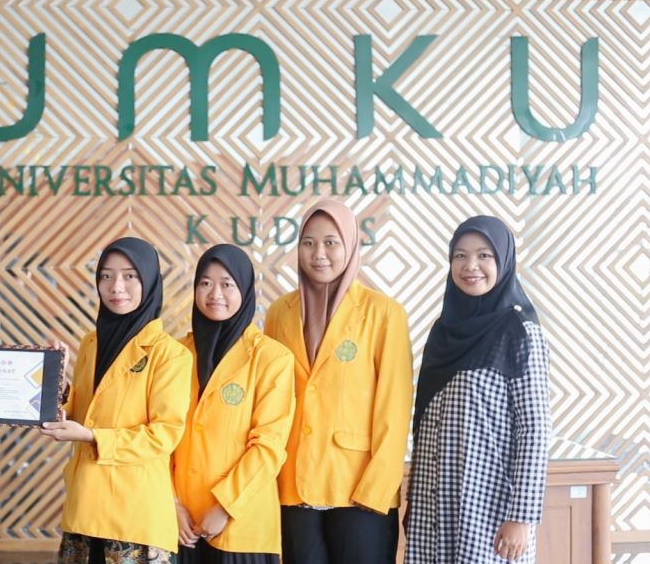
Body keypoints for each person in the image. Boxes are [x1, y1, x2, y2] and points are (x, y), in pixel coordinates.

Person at [264, 199, 413, 564]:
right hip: (293, 488)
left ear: (350, 245)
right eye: (309, 242)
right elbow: (270, 398)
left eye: (331, 242)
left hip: (358, 490)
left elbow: (394, 407)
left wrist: (377, 489)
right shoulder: (280, 313)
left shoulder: (383, 313)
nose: (319, 253)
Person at [404, 216, 551, 564]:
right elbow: (425, 423)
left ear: (503, 260)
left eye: (484, 255)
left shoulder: (519, 331)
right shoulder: (442, 331)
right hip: (433, 504)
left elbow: (534, 430)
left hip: (489, 509)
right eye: (460, 255)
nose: (470, 266)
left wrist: (522, 517)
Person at [41, 237, 193, 563]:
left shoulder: (170, 355)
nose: (116, 287)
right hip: (85, 506)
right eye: (106, 276)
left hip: (134, 514)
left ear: (149, 281)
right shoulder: (91, 343)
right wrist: (56, 381)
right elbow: (80, 411)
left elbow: (163, 435)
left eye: (130, 276)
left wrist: (92, 436)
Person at [172, 244, 295, 564]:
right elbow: (159, 432)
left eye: (227, 284)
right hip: (179, 524)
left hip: (241, 524)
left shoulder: (271, 358)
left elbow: (268, 446)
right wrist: (171, 503)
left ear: (245, 289)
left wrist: (225, 505)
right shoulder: (176, 354)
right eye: (205, 283)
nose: (215, 293)